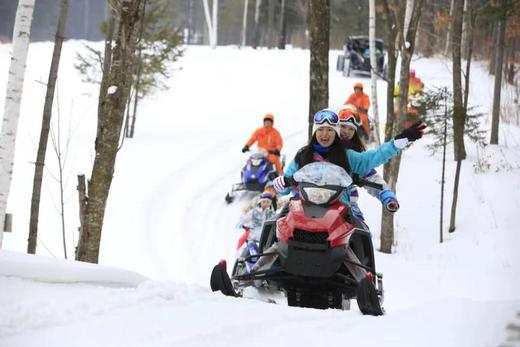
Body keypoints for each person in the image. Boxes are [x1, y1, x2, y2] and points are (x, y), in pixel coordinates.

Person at [272, 109, 425, 211]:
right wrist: (281, 184)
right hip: (302, 206)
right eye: (321, 129)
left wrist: (399, 142)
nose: (325, 134)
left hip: (339, 208)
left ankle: (359, 260)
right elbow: (286, 182)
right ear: (314, 132)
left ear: (336, 133)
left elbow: (373, 158)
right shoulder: (303, 155)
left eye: (330, 130)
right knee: (277, 225)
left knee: (360, 234)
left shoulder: (348, 155)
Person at [337, 108, 399, 223]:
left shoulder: (355, 157)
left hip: (346, 205)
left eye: (351, 129)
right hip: (317, 199)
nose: (346, 131)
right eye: (343, 126)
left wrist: (386, 195)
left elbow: (371, 177)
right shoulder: (320, 148)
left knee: (360, 231)